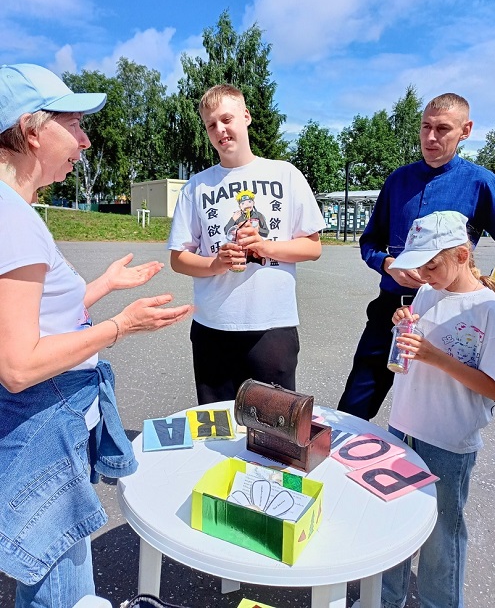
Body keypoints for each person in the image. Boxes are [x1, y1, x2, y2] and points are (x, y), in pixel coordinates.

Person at [0, 63, 193, 608]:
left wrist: (101, 286)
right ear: (33, 129)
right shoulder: (11, 218)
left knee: (59, 568)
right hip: (43, 427)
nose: (85, 140)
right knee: (59, 587)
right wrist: (118, 326)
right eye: (76, 124)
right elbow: (17, 363)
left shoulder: (15, 210)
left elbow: (35, 318)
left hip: (43, 422)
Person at [337, 92, 495, 420]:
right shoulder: (398, 181)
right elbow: (369, 242)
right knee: (353, 408)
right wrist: (386, 263)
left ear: (465, 130)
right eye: (425, 127)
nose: (430, 137)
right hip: (392, 309)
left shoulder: (482, 183)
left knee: (433, 418)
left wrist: (488, 294)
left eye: (442, 129)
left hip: (450, 317)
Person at [167, 84, 325, 405]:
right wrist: (216, 263)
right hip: (213, 327)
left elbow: (312, 247)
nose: (220, 130)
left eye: (227, 119)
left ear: (246, 116)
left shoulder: (285, 174)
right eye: (211, 125)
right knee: (219, 430)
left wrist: (264, 247)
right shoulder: (197, 186)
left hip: (272, 327)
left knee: (275, 434)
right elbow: (178, 258)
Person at [377, 210, 495, 608]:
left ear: (463, 255)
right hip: (404, 426)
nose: (425, 275)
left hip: (449, 439)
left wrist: (435, 356)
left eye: (432, 264)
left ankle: (440, 602)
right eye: (419, 265)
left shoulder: (489, 309)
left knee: (440, 535)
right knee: (394, 522)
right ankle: (385, 598)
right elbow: (413, 352)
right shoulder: (430, 292)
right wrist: (403, 324)